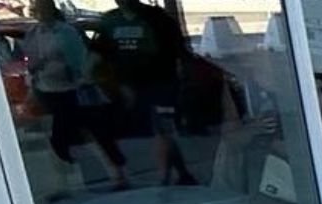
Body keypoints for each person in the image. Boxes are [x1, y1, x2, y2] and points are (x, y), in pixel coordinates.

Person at [23, 0, 128, 191]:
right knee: (63, 136)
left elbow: (79, 60)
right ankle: (64, 180)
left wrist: (79, 77)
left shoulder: (66, 32)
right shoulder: (33, 33)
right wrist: (33, 80)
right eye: (37, 10)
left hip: (73, 89)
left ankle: (116, 173)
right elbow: (30, 61)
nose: (40, 13)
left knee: (93, 132)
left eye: (43, 9)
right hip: (48, 89)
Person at [96, 0, 195, 185]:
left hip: (161, 83)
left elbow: (178, 49)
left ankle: (165, 177)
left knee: (162, 128)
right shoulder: (110, 20)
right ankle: (182, 173)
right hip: (129, 86)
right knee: (157, 129)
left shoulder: (157, 18)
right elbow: (100, 52)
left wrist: (183, 73)